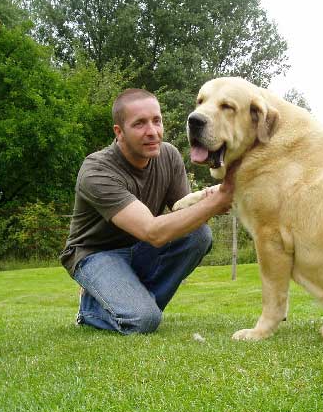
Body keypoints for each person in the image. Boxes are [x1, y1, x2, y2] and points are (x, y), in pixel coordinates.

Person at [60, 88, 234, 335]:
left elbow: (180, 209)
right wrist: (216, 203)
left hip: (139, 248)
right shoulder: (96, 171)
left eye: (157, 121)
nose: (152, 132)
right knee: (142, 322)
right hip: (96, 254)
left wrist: (214, 195)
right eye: (139, 124)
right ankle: (93, 307)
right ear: (119, 132)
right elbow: (152, 231)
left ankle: (130, 301)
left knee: (199, 235)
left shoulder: (169, 156)